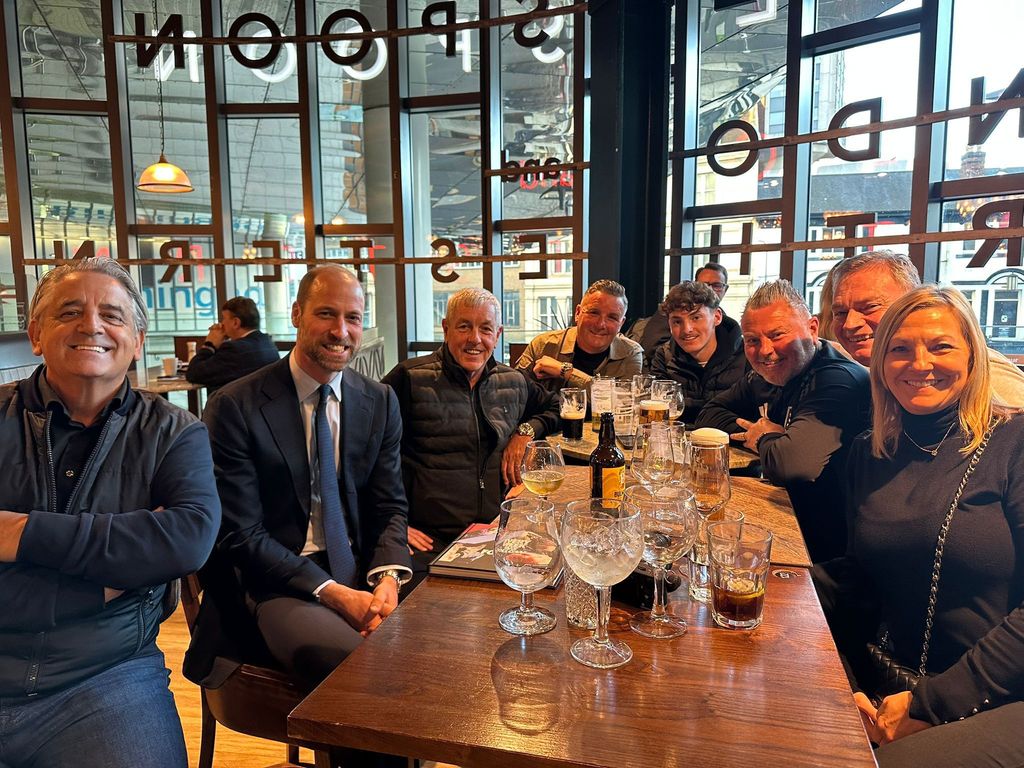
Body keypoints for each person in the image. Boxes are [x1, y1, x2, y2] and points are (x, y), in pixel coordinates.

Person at [0, 258, 220, 767]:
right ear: (36, 333)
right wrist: (103, 584)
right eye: (69, 312)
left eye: (113, 316)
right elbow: (159, 546)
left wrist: (21, 533)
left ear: (137, 341)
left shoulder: (173, 432)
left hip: (108, 674)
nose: (92, 325)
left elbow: (187, 539)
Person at [814, 286, 1024, 768]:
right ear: (881, 366)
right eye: (900, 349)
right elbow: (860, 582)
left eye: (941, 346)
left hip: (1002, 692)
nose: (920, 363)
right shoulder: (870, 453)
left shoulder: (1014, 442)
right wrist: (845, 684)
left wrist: (931, 706)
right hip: (896, 682)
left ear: (973, 355)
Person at [184, 265, 411, 697]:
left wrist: (387, 578)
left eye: (353, 318)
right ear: (296, 315)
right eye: (326, 314)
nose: (340, 331)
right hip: (273, 582)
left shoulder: (378, 401)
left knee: (447, 649)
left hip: (360, 569)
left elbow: (389, 505)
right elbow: (240, 535)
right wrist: (334, 594)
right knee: (363, 674)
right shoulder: (234, 406)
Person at [382, 288, 560, 586]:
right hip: (427, 540)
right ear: (446, 328)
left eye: (485, 329)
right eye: (464, 326)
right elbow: (365, 455)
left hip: (496, 534)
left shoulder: (513, 380)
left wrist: (525, 432)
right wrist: (392, 525)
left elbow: (557, 406)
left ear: (498, 333)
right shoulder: (410, 378)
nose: (475, 339)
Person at [696, 279, 869, 562]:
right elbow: (710, 413)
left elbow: (793, 463)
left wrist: (765, 439)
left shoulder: (836, 378)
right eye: (752, 340)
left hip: (831, 552)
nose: (765, 350)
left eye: (778, 335)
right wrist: (758, 432)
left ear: (812, 329)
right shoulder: (765, 375)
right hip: (784, 518)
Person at [829, 249, 1024, 405]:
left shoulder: (986, 374)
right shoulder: (874, 369)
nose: (850, 324)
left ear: (914, 300)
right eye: (840, 313)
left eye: (870, 307)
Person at [515, 279, 642, 393]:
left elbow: (623, 403)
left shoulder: (630, 352)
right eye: (594, 313)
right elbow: (514, 391)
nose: (601, 324)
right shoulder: (543, 345)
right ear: (577, 313)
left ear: (621, 323)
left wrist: (566, 372)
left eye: (612, 317)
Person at [647, 280, 746, 424]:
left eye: (696, 318)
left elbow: (747, 412)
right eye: (677, 322)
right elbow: (658, 411)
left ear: (717, 317)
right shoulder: (664, 356)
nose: (687, 329)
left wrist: (686, 407)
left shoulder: (746, 355)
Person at [184, 296, 280, 393]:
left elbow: (193, 374)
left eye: (224, 318)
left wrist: (210, 344)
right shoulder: (268, 343)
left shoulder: (234, 349)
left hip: (234, 407)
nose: (221, 324)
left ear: (235, 323)